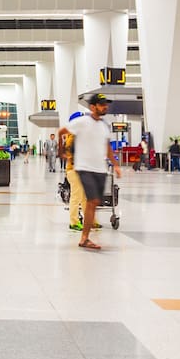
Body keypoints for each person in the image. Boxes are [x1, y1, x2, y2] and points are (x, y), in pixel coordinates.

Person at [59, 94, 121, 251]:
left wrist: (115, 164)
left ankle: (89, 225)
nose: (105, 107)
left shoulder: (103, 125)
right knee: (78, 196)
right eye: (101, 104)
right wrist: (63, 154)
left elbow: (106, 146)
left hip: (98, 169)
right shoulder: (77, 129)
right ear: (93, 107)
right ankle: (75, 223)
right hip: (77, 169)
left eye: (106, 104)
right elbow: (65, 139)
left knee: (91, 200)